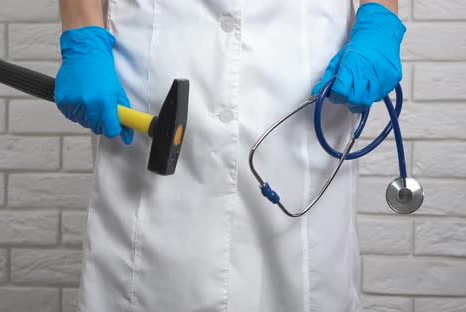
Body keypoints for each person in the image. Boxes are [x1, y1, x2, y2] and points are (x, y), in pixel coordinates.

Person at [55, 0, 404, 311]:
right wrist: (82, 31)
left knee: (302, 274)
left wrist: (380, 20)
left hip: (304, 63)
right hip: (157, 53)